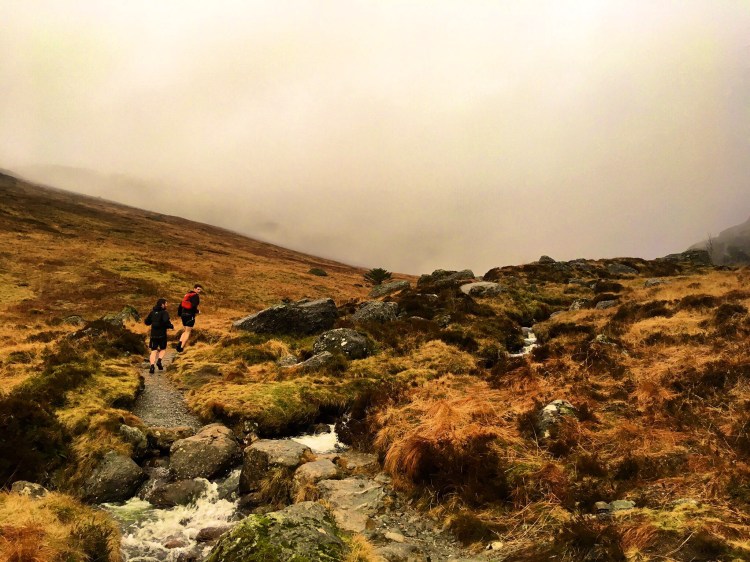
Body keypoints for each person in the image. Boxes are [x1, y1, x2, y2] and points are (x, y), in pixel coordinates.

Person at [144, 298, 174, 374]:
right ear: (162, 304)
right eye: (166, 304)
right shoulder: (164, 313)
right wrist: (171, 326)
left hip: (153, 335)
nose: (167, 305)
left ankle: (151, 366)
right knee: (163, 349)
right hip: (162, 334)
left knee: (153, 351)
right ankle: (159, 361)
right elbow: (165, 321)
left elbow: (147, 322)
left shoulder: (152, 312)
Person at [176, 284, 203, 352]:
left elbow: (181, 305)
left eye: (200, 290)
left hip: (183, 314)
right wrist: (198, 311)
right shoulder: (195, 296)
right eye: (198, 289)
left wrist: (180, 314)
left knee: (185, 330)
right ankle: (181, 348)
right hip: (190, 315)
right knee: (188, 331)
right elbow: (193, 306)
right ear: (194, 289)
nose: (199, 291)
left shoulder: (187, 295)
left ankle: (180, 342)